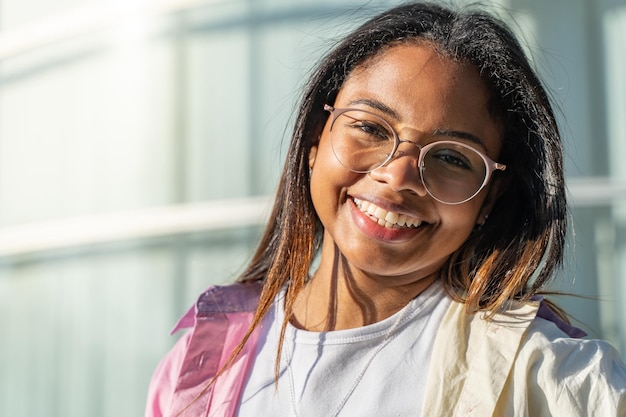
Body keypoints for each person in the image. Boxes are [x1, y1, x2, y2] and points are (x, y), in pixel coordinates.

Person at [145, 2, 626, 416]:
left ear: (489, 199)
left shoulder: (553, 378)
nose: (397, 177)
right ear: (316, 139)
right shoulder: (201, 363)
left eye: (452, 158)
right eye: (371, 128)